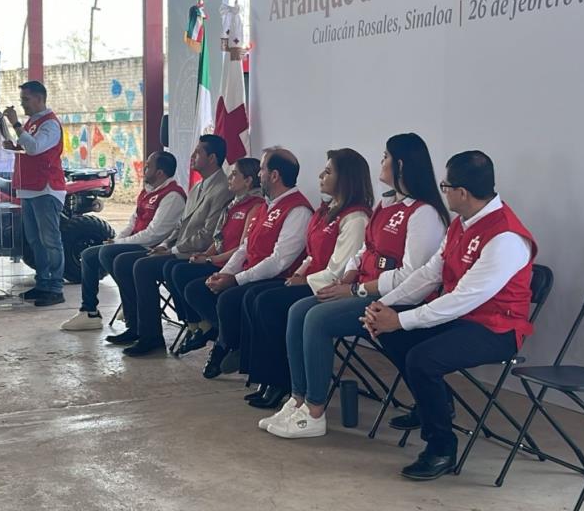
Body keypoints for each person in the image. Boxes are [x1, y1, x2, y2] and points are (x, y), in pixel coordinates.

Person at [361, 150, 537, 481]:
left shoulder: (506, 237)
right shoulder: (462, 223)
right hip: (463, 318)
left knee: (422, 359)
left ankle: (441, 447)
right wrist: (387, 306)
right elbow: (431, 274)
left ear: (461, 193)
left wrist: (400, 319)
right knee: (390, 333)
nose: (442, 191)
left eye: (445, 186)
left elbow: (463, 299)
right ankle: (435, 405)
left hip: (497, 329)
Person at [262, 132, 449, 439]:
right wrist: (348, 276)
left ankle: (314, 410)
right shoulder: (387, 205)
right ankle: (296, 398)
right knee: (298, 310)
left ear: (400, 164)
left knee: (317, 319)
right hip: (364, 289)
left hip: (398, 300)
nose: (381, 161)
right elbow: (365, 250)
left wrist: (355, 290)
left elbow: (413, 277)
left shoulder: (424, 213)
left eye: (386, 157)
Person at [242, 148, 373, 409]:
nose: (320, 175)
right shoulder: (327, 210)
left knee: (270, 302)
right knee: (254, 296)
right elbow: (312, 255)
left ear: (345, 178)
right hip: (312, 279)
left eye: (328, 171)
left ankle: (285, 382)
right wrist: (300, 274)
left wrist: (306, 281)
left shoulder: (355, 217)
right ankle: (266, 376)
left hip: (330, 287)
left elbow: (339, 269)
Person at [87, 136, 233, 357]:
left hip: (196, 252)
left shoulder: (222, 188)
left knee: (141, 266)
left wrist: (173, 250)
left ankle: (151, 336)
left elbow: (208, 236)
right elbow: (180, 225)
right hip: (176, 247)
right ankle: (135, 327)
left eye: (198, 153)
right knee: (121, 260)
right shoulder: (197, 186)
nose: (192, 157)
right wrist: (166, 244)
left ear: (212, 158)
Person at [183, 147, 313, 379]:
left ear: (274, 176)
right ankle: (237, 340)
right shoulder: (265, 206)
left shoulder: (298, 209)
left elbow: (280, 260)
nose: (259, 174)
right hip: (250, 273)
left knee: (229, 298)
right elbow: (245, 247)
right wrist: (223, 274)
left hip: (276, 279)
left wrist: (235, 279)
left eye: (262, 169)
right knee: (196, 289)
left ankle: (226, 346)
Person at [72, 151, 186, 333]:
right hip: (137, 242)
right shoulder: (147, 192)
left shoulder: (172, 196)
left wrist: (118, 244)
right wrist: (117, 240)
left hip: (153, 248)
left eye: (148, 166)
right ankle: (89, 311)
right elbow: (133, 223)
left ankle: (132, 309)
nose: (144, 168)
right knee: (89, 254)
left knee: (108, 253)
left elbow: (154, 234)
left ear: (160, 173)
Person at [167, 157, 265, 355]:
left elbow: (242, 247)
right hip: (220, 259)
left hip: (232, 264)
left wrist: (211, 260)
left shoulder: (255, 206)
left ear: (248, 181)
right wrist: (204, 254)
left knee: (187, 279)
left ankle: (219, 332)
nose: (229, 177)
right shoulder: (232, 204)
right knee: (173, 268)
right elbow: (219, 240)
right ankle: (198, 326)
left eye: (235, 174)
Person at [3, 81, 67, 307]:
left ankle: (56, 287)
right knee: (35, 240)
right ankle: (42, 283)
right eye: (22, 100)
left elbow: (35, 148)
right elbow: (29, 148)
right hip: (29, 188)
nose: (22, 104)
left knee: (50, 240)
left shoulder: (50, 124)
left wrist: (16, 125)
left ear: (40, 98)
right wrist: (15, 147)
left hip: (46, 189)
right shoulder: (32, 122)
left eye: (26, 100)